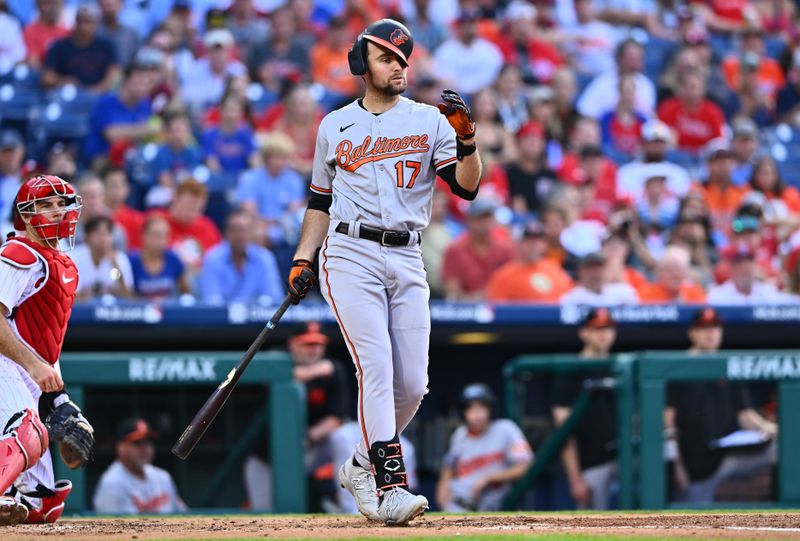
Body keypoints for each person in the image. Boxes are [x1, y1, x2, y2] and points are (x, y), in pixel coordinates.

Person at [286, 19, 482, 525]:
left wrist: (467, 142)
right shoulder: (334, 124)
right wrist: (303, 257)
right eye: (386, 58)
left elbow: (466, 188)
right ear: (361, 64)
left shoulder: (428, 120)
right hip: (349, 253)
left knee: (413, 384)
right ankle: (392, 486)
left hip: (408, 253)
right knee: (375, 367)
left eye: (402, 59)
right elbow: (319, 201)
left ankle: (359, 462)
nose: (398, 66)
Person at [0, 175, 94, 525]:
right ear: (25, 215)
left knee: (42, 507)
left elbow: (44, 342)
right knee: (28, 431)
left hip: (26, 370)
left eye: (61, 204)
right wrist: (33, 367)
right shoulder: (17, 253)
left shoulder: (61, 264)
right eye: (45, 205)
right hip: (5, 363)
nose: (57, 212)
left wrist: (59, 399)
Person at [665, 308, 778, 503]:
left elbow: (746, 416)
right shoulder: (677, 367)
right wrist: (677, 466)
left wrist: (772, 429)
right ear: (692, 333)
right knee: (691, 524)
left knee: (786, 444)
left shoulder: (728, 365)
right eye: (704, 328)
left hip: (729, 454)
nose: (711, 333)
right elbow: (667, 422)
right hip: (696, 464)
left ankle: (783, 510)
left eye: (716, 328)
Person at [244, 322, 349, 512]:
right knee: (263, 516)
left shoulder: (334, 370)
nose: (313, 350)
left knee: (345, 436)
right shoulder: (276, 359)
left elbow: (336, 418)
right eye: (307, 344)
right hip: (266, 457)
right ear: (293, 344)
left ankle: (348, 505)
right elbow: (270, 372)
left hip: (310, 449)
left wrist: (308, 436)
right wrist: (313, 371)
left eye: (318, 344)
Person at [552, 308, 619, 509]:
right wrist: (575, 479)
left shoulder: (620, 367)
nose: (603, 334)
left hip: (624, 458)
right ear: (584, 333)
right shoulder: (571, 372)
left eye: (608, 329)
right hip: (591, 464)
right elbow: (564, 433)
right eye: (597, 329)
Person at [436, 383, 533, 511]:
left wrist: (489, 477)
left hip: (489, 504)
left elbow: (526, 465)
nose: (477, 414)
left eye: (482, 407)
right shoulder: (460, 435)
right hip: (457, 503)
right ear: (463, 412)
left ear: (490, 409)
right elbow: (449, 467)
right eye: (471, 409)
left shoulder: (506, 429)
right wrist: (442, 488)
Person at [93, 418, 187, 514]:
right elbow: (115, 528)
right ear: (121, 447)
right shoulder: (113, 483)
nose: (145, 447)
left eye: (148, 441)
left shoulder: (163, 478)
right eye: (138, 442)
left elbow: (184, 516)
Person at [196, 209, 283, 305]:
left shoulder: (265, 258)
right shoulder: (212, 259)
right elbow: (211, 301)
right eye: (235, 230)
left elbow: (274, 298)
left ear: (251, 233)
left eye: (245, 230)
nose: (240, 236)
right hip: (219, 319)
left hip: (259, 319)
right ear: (227, 233)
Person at [486, 221, 573, 303]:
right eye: (528, 240)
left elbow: (569, 297)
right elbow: (497, 312)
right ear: (518, 243)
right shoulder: (504, 276)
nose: (534, 244)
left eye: (539, 240)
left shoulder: (554, 268)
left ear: (544, 244)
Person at [71, 216, 134, 301]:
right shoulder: (74, 257)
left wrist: (115, 265)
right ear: (87, 237)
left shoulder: (120, 258)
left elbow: (128, 296)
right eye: (98, 234)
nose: (103, 239)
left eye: (107, 234)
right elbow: (71, 296)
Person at [128, 216, 188, 301]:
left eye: (165, 236)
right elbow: (126, 296)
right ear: (143, 236)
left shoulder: (174, 260)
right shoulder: (131, 261)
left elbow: (186, 292)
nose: (161, 241)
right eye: (156, 235)